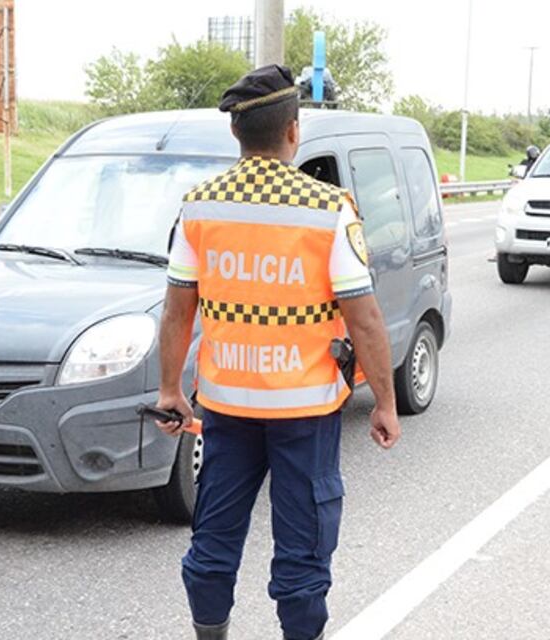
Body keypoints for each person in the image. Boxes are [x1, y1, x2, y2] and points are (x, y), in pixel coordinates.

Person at [154, 64, 401, 640]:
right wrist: (385, 402)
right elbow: (364, 317)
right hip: (304, 415)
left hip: (226, 412)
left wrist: (170, 390)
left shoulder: (200, 206)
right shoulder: (327, 208)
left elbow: (176, 311)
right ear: (293, 131)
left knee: (213, 543)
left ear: (237, 135)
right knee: (302, 557)